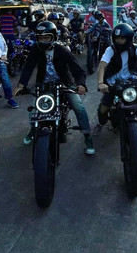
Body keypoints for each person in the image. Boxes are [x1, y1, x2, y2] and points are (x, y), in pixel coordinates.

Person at [15, 21, 94, 155]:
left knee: (78, 107)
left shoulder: (62, 50)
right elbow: (28, 67)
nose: (43, 41)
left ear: (53, 37)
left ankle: (87, 136)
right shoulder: (35, 49)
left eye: (46, 37)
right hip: (43, 84)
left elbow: (78, 70)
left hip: (64, 84)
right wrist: (21, 85)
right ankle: (34, 129)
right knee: (35, 109)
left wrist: (81, 84)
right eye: (40, 38)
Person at [94, 23, 137, 133]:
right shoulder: (110, 49)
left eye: (122, 38)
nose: (119, 40)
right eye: (116, 38)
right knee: (103, 108)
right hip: (113, 83)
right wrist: (101, 83)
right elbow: (102, 65)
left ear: (129, 38)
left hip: (132, 82)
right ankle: (101, 123)